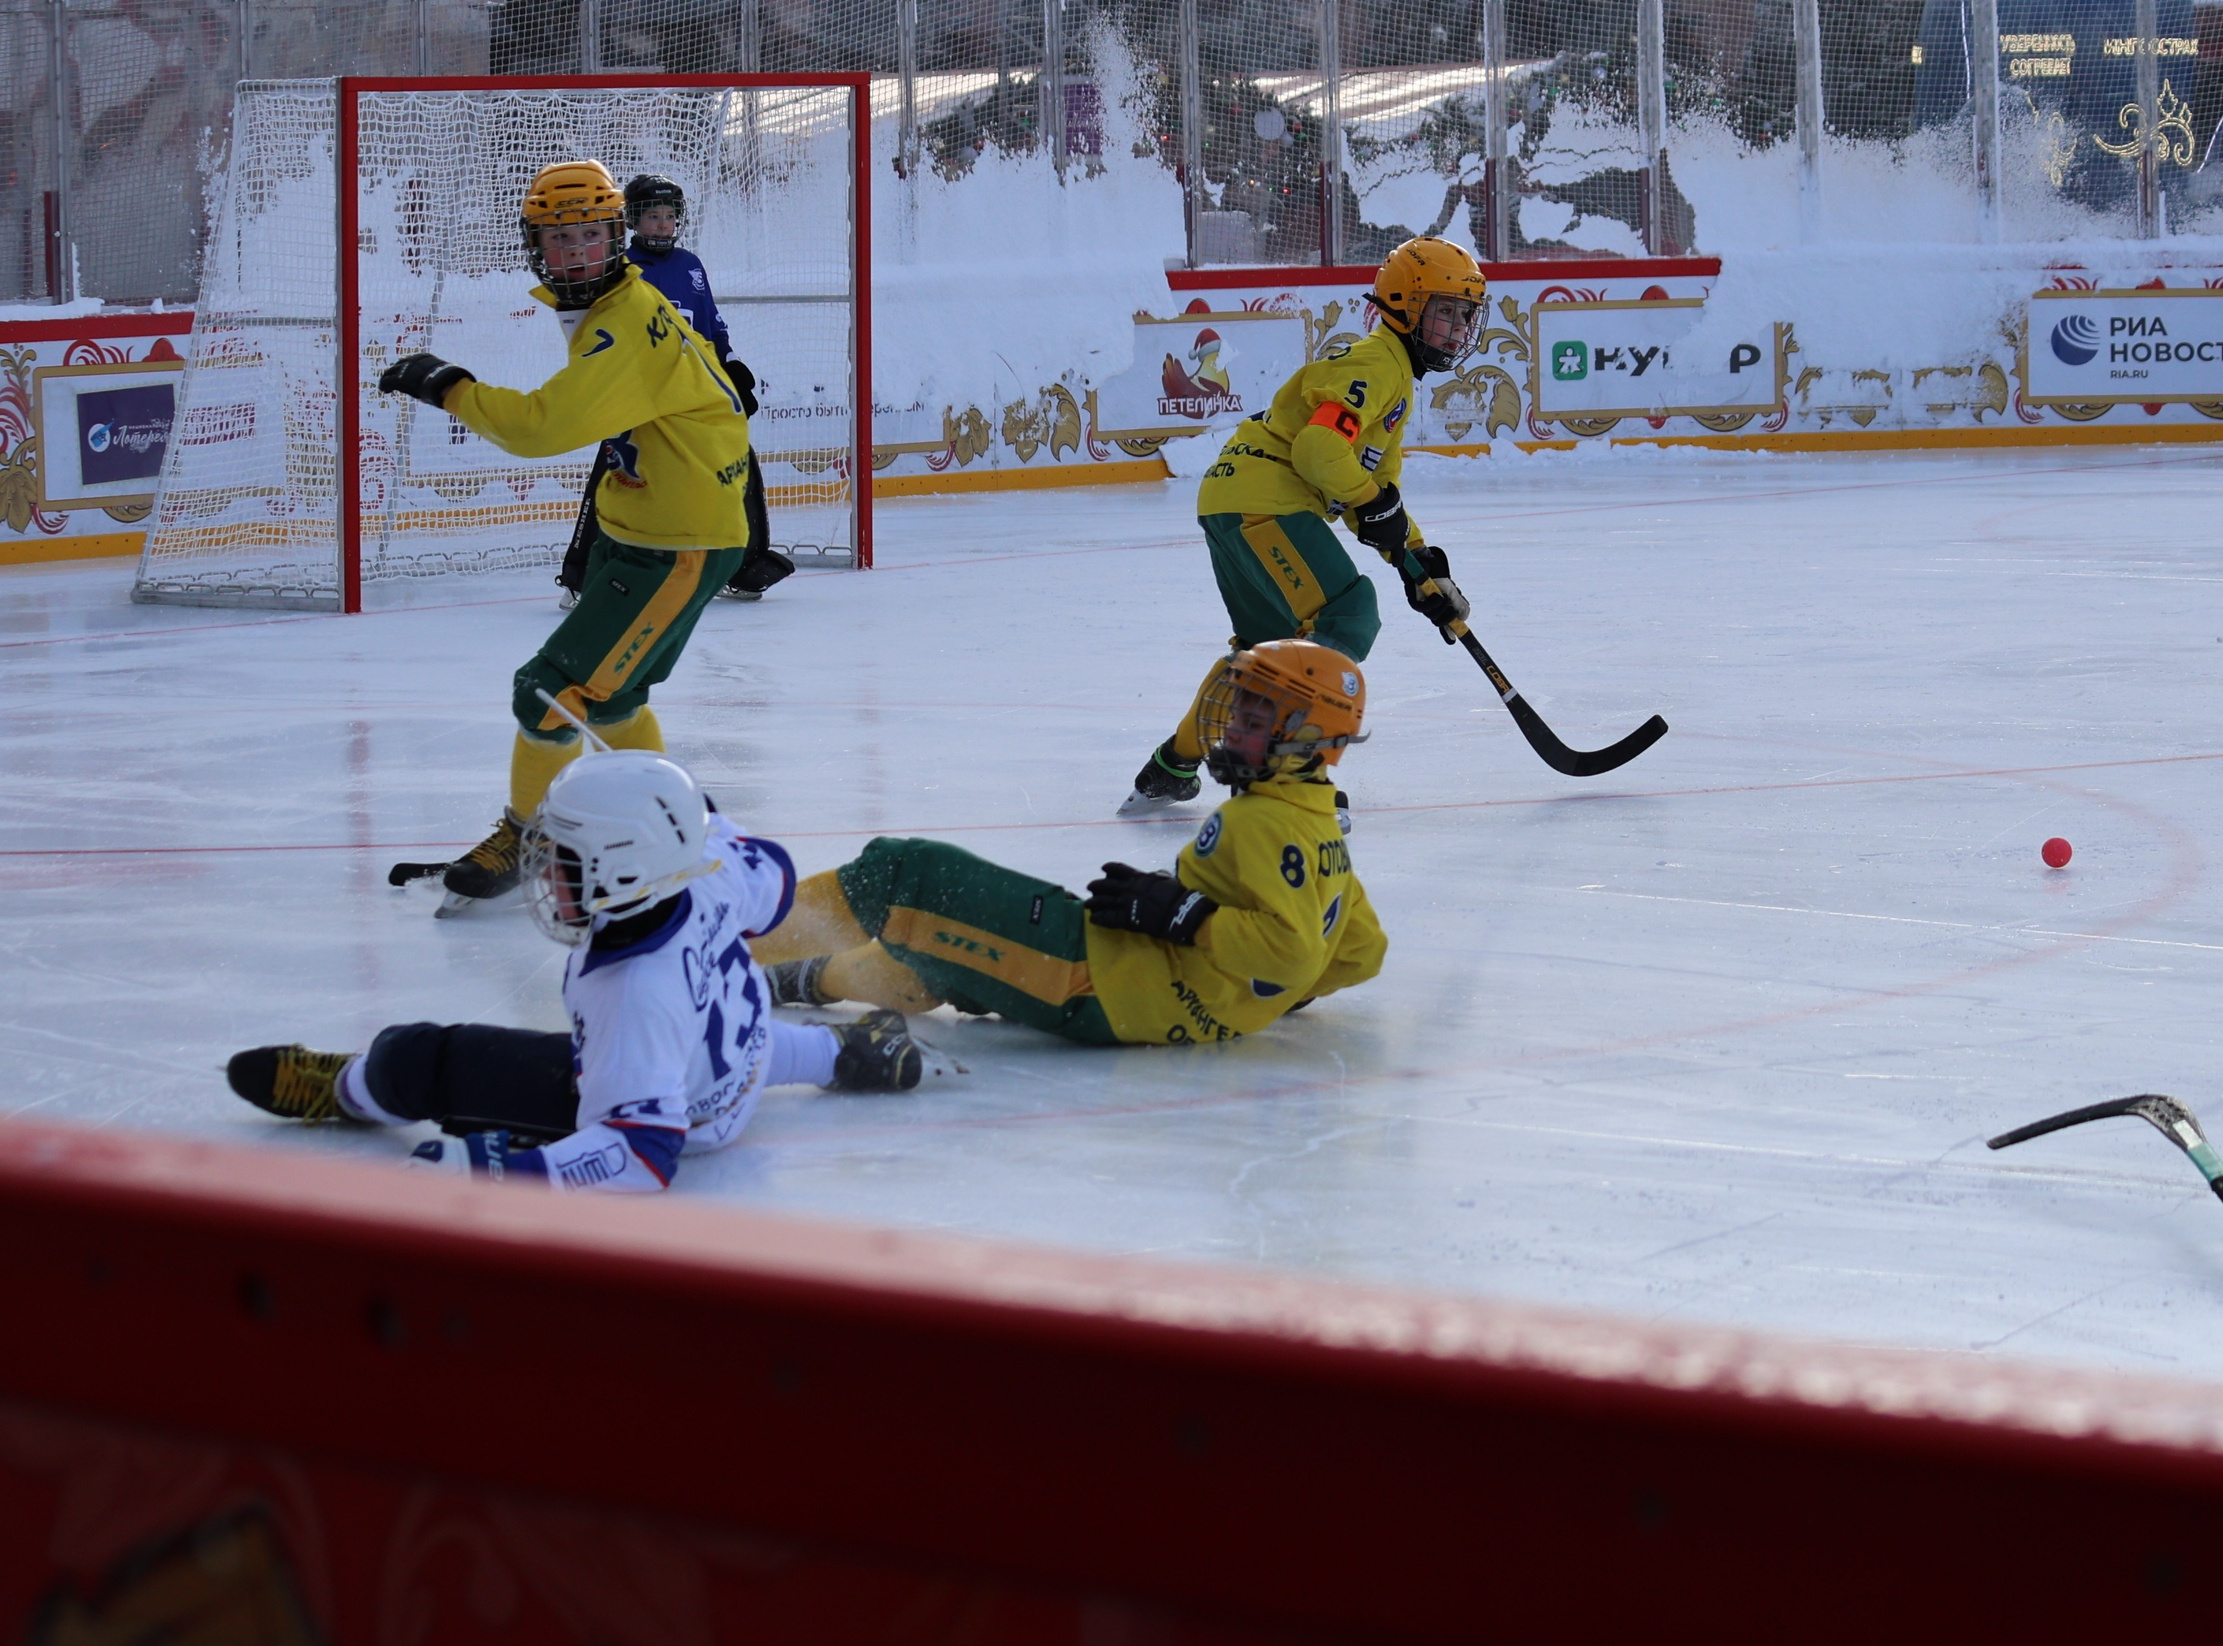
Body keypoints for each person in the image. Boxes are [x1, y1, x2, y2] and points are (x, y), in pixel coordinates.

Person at [226, 750, 937, 1190]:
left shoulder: (633, 992)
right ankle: (843, 1053)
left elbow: (642, 1153)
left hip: (688, 1111)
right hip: (736, 1062)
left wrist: (499, 1172)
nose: (544, 872)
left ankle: (355, 1088)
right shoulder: (703, 869)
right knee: (693, 1028)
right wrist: (683, 810)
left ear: (623, 868)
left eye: (562, 857)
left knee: (421, 1056)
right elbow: (774, 876)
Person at [376, 160, 751, 916]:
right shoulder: (617, 300)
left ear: (615, 236)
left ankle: (527, 839)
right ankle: (668, 828)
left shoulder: (619, 326)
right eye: (559, 239)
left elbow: (540, 428)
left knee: (547, 693)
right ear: (535, 247)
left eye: (589, 236)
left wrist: (447, 385)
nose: (576, 253)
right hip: (646, 525)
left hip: (678, 543)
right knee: (611, 701)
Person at [757, 640, 1387, 1046]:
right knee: (936, 954)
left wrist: (1183, 915)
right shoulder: (1317, 826)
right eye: (1237, 711)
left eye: (1252, 720)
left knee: (904, 874)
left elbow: (1288, 951)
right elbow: (1359, 951)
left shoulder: (1263, 823)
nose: (1229, 730)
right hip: (1136, 995)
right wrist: (1246, 998)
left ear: (1309, 737)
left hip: (1098, 981)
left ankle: (724, 949)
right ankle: (803, 979)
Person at [1120, 235, 1486, 818]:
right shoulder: (1378, 364)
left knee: (1264, 654)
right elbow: (1319, 451)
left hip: (1231, 498)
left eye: (1465, 315)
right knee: (1349, 613)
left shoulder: (1392, 377)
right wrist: (1374, 505)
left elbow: (1376, 492)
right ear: (1404, 305)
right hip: (1267, 501)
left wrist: (1420, 565)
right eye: (1446, 311)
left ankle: (1172, 764)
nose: (1459, 329)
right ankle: (1287, 770)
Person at [557, 174, 798, 610]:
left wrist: (729, 367)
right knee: (617, 474)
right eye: (653, 216)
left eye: (669, 216)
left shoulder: (690, 265)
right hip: (639, 394)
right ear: (633, 220)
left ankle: (745, 566)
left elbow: (711, 325)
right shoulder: (617, 269)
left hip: (694, 393)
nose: (663, 224)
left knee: (737, 464)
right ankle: (583, 575)